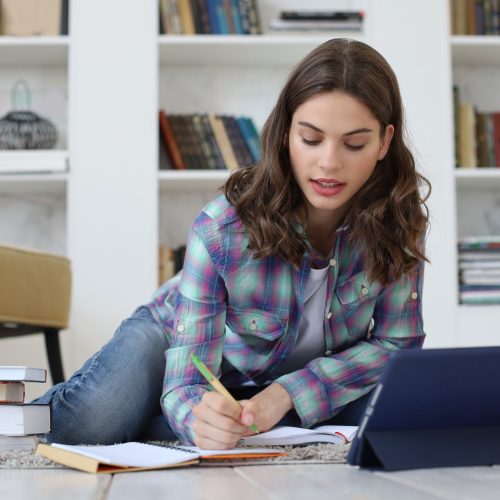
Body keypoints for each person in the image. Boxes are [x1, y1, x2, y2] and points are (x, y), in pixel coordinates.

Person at [35, 38, 430, 449]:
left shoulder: (400, 223)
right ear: (285, 135)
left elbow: (396, 345)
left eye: (354, 144)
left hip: (279, 384)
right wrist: (194, 414)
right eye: (311, 140)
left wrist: (285, 394)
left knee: (400, 415)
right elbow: (188, 379)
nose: (329, 162)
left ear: (384, 142)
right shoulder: (222, 227)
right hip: (174, 339)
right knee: (90, 427)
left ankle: (158, 423)